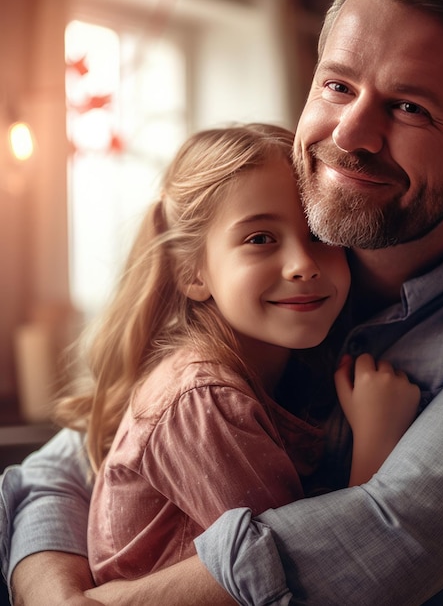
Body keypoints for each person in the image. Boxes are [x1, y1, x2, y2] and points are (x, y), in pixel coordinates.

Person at [3, 0, 443, 604]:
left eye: (409, 106)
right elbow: (71, 459)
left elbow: (385, 536)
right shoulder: (293, 264)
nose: (351, 135)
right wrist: (54, 595)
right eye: (337, 85)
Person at [31, 123, 421, 588]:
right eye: (260, 239)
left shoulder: (279, 375)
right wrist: (377, 445)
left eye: (320, 234)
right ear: (192, 273)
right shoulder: (201, 399)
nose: (303, 264)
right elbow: (310, 578)